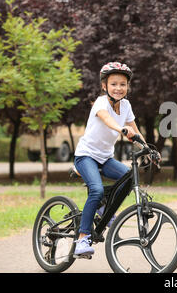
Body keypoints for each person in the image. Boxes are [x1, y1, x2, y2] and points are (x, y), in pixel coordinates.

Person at [73, 62, 147, 256]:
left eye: (123, 84)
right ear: (104, 86)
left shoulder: (126, 105)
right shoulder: (100, 103)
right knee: (96, 191)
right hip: (86, 156)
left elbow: (135, 130)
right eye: (113, 84)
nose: (118, 88)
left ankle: (105, 209)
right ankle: (82, 239)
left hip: (105, 158)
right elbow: (107, 119)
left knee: (130, 177)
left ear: (127, 87)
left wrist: (147, 149)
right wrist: (121, 129)